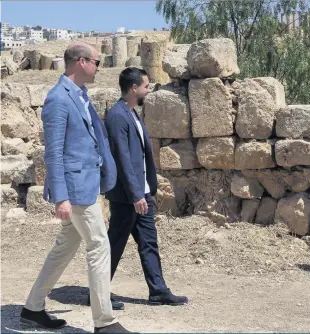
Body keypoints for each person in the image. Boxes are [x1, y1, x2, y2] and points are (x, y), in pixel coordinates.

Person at [19, 42, 133, 333]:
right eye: (96, 61)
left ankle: (33, 308)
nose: (100, 67)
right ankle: (104, 322)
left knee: (63, 248)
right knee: (98, 244)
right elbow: (53, 152)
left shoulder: (80, 96)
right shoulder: (58, 99)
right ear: (81, 62)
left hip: (86, 184)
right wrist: (61, 198)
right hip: (75, 190)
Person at [99, 67, 188, 307]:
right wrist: (136, 194)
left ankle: (158, 290)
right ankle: (97, 294)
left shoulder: (132, 113)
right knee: (115, 243)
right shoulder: (118, 116)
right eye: (146, 86)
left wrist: (147, 191)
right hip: (128, 197)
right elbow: (123, 159)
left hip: (141, 194)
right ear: (133, 88)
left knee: (149, 242)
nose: (149, 91)